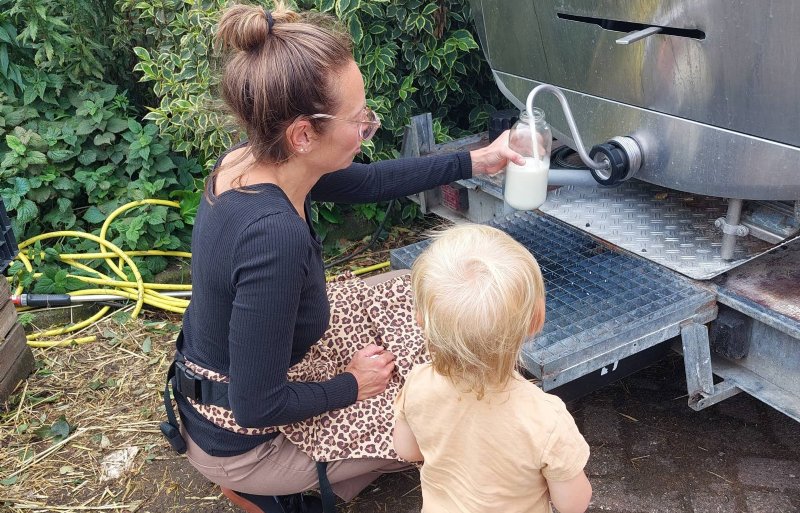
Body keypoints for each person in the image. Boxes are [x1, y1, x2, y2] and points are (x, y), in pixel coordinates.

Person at [159, 3, 525, 513]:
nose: (366, 128)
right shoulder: (274, 240)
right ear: (303, 134)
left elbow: (368, 182)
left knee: (416, 290)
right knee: (440, 419)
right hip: (243, 440)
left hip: (246, 368)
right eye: (359, 121)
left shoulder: (254, 160)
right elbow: (255, 404)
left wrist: (474, 160)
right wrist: (352, 385)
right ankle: (267, 491)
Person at [394, 224, 593, 513]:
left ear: (421, 320)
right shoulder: (546, 419)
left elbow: (406, 450)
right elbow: (573, 505)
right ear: (536, 320)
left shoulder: (418, 383)